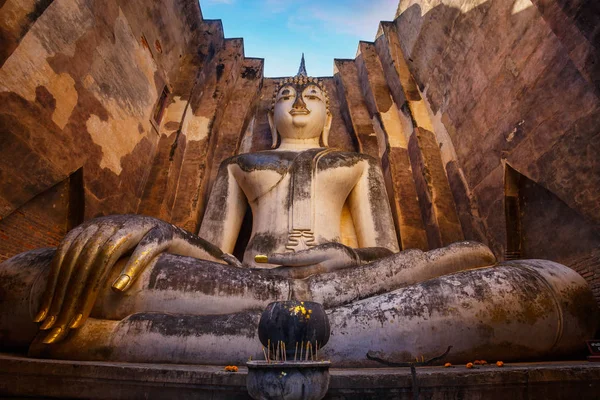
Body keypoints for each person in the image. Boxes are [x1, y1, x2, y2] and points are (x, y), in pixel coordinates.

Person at [0, 67, 596, 366]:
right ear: (271, 113)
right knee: (30, 281)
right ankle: (322, 335)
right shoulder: (241, 162)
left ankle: (127, 341)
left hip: (355, 283)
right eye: (287, 94)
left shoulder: (357, 164)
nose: (301, 98)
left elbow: (386, 252)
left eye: (313, 94)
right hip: (242, 282)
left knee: (553, 288)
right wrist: (157, 234)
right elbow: (211, 250)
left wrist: (349, 257)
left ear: (330, 114)